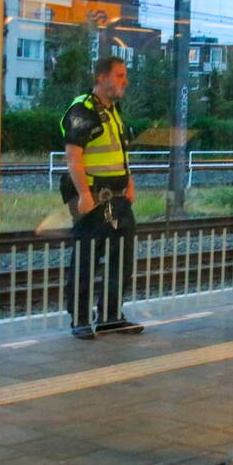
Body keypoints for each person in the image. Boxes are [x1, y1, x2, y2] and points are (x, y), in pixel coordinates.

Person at [59, 56, 144, 340]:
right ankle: (80, 319)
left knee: (122, 258)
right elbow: (74, 156)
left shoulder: (113, 111)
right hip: (94, 196)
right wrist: (83, 194)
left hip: (117, 197)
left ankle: (110, 316)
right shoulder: (83, 110)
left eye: (125, 75)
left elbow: (120, 153)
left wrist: (129, 183)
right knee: (87, 258)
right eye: (120, 75)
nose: (125, 81)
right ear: (101, 77)